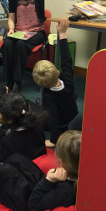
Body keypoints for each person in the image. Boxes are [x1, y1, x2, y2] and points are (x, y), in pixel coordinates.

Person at [1, 0, 70, 92]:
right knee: (7, 44)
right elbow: (11, 17)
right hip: (19, 32)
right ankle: (8, 80)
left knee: (21, 45)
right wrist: (10, 28)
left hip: (37, 33)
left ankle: (17, 82)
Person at [0, 92, 48, 172]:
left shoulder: (8, 141)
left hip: (19, 167)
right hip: (30, 157)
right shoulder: (36, 125)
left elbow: (6, 164)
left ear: (9, 120)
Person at [32, 19, 78, 147]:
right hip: (72, 117)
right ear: (57, 72)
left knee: (36, 112)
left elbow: (52, 119)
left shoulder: (48, 95)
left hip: (61, 124)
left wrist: (53, 140)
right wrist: (62, 34)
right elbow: (66, 59)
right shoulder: (67, 79)